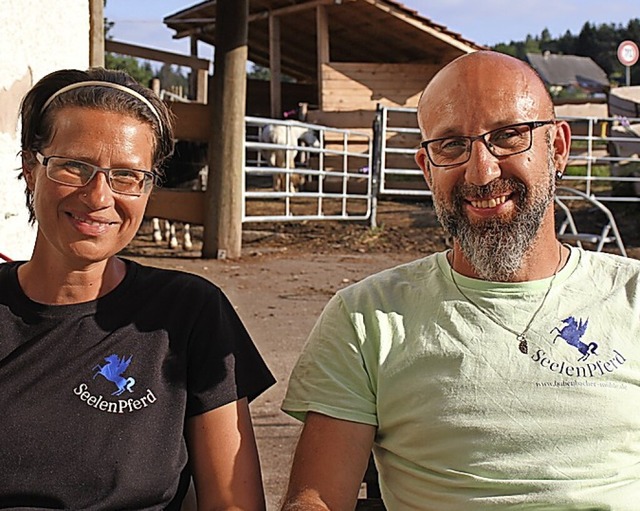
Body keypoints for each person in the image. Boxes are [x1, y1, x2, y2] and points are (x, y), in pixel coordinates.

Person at [280, 51, 640, 510]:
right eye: (451, 146)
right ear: (427, 169)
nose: (481, 172)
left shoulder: (632, 298)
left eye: (509, 136)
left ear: (559, 148)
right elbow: (317, 500)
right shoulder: (366, 317)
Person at [0, 68, 275, 510]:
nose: (98, 196)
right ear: (31, 170)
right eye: (74, 166)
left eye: (127, 176)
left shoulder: (186, 314)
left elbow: (235, 502)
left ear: (148, 188)